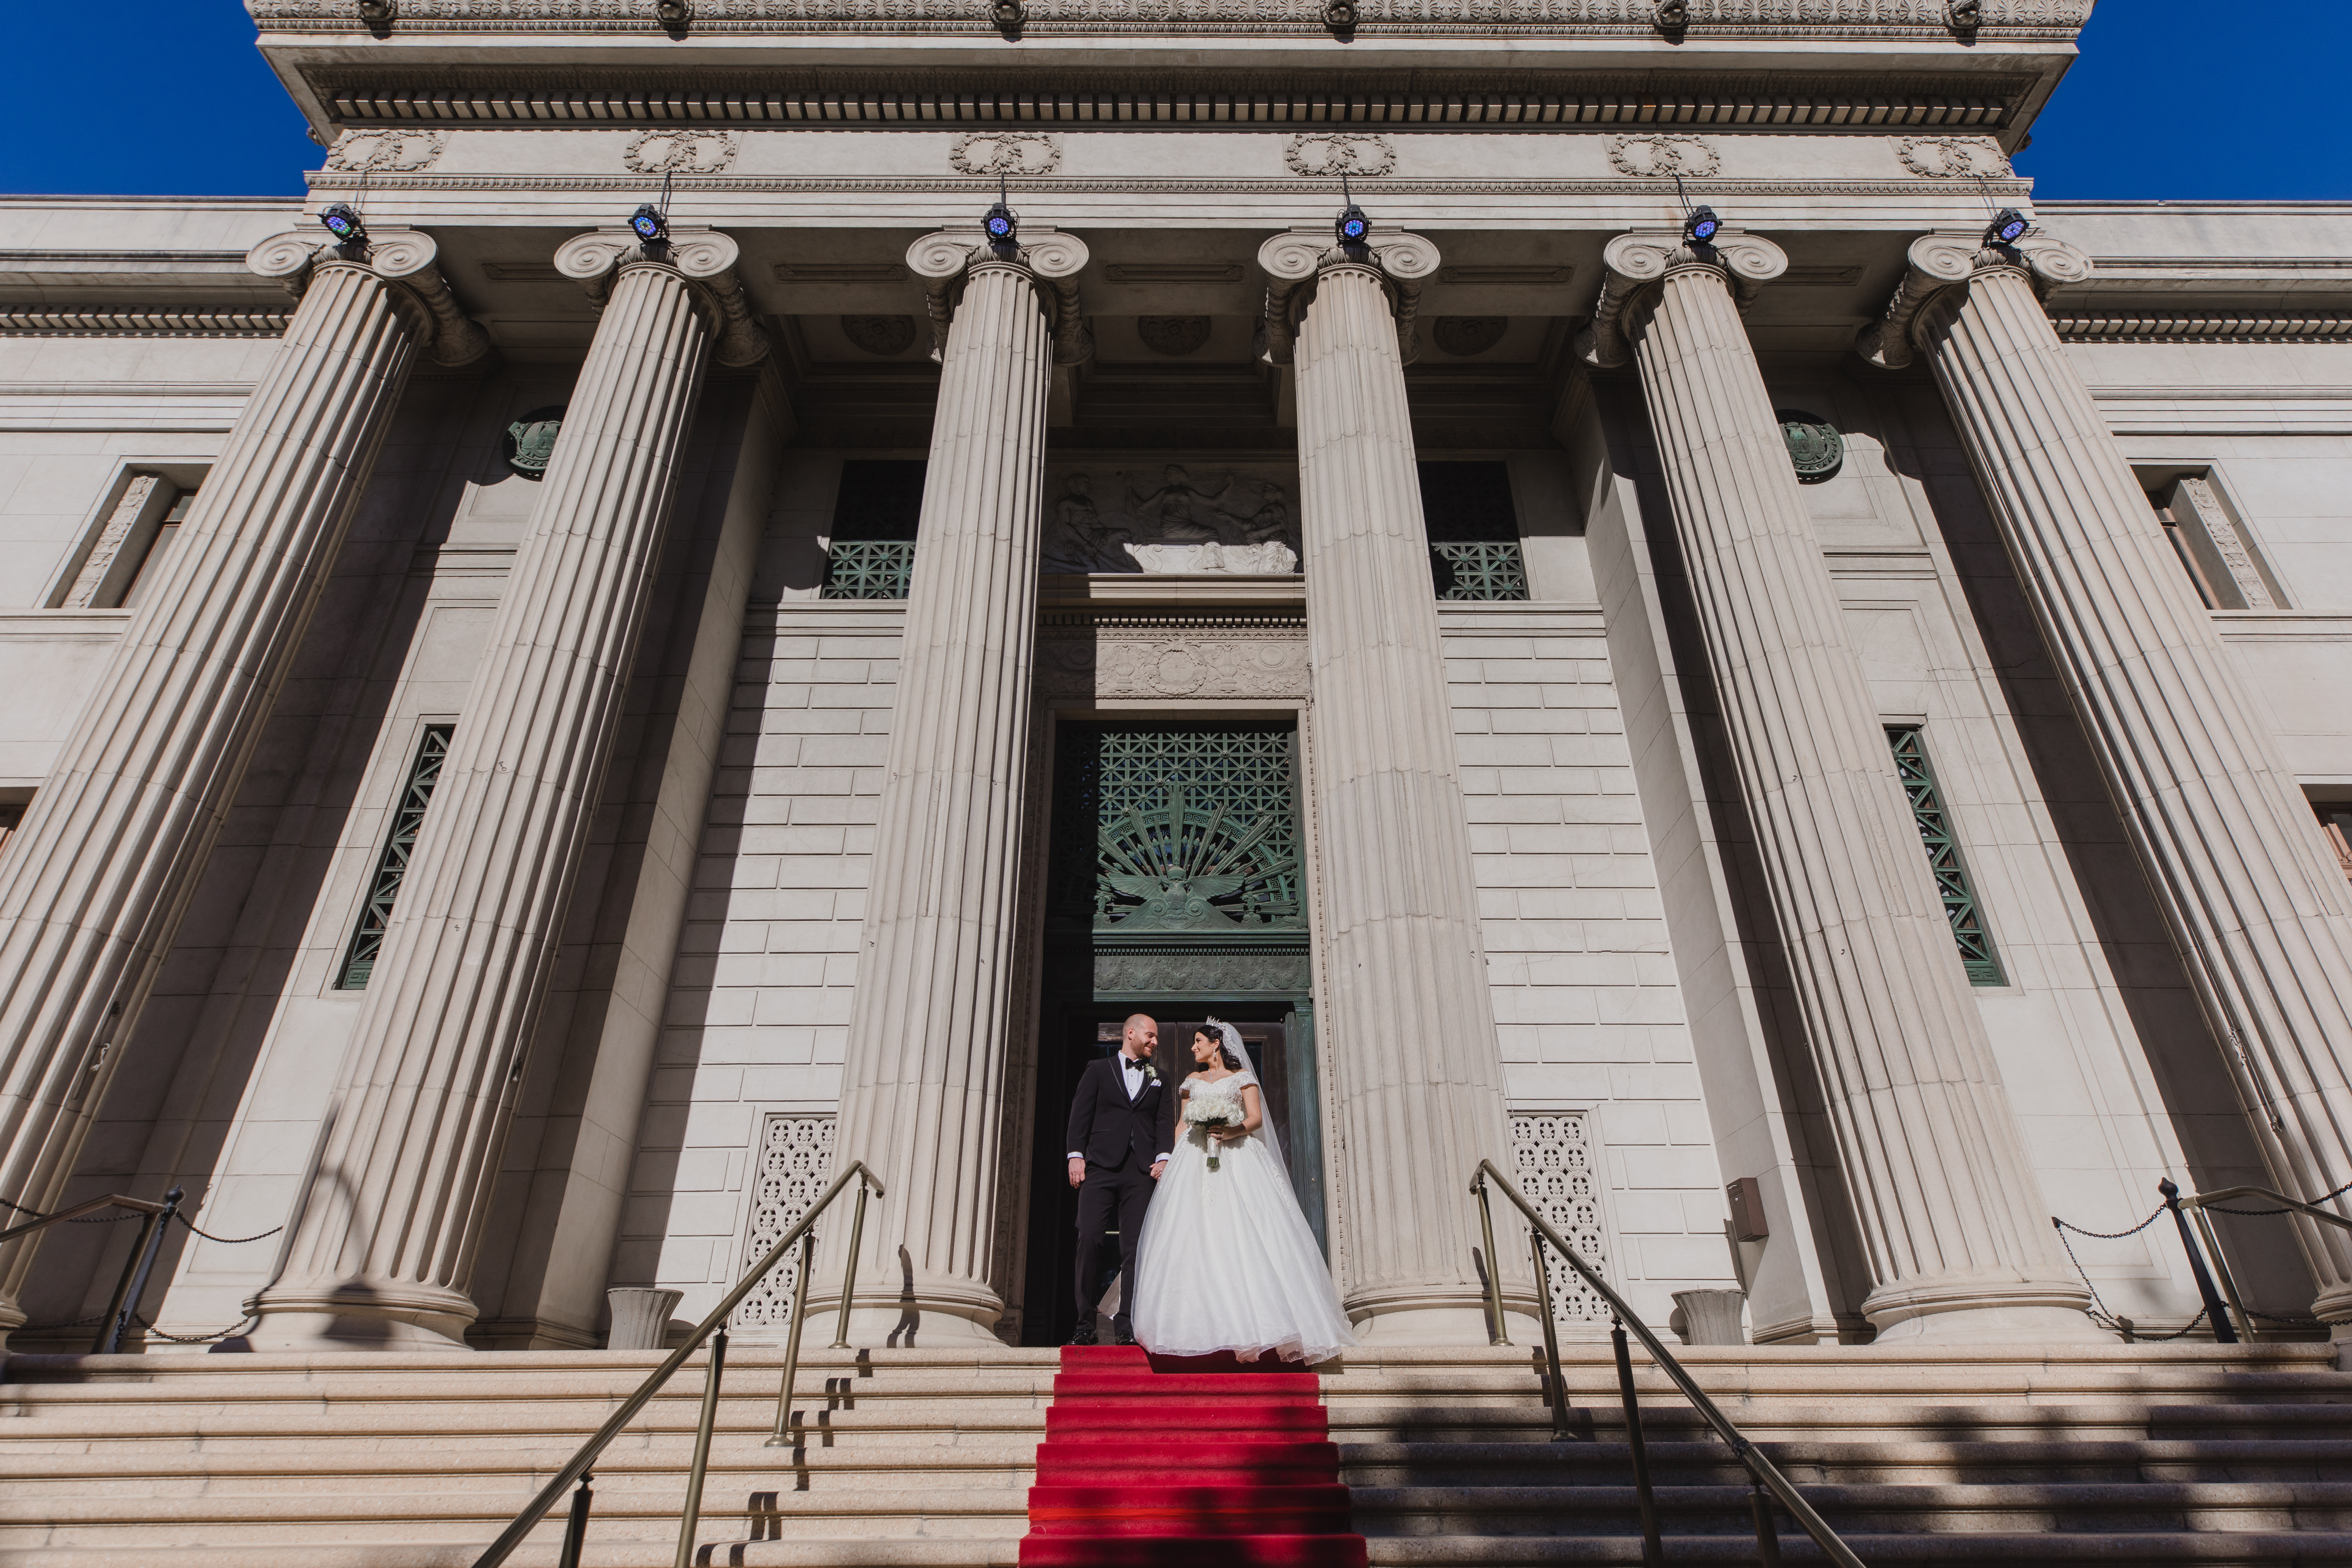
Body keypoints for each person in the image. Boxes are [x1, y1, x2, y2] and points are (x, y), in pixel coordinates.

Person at [1130, 1018, 1358, 1363]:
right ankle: (1193, 1327)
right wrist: (1168, 1158)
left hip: (1237, 1156)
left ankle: (1259, 1326)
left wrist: (1228, 1131)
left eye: (1197, 1041)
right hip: (1194, 1159)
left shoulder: (1242, 1079)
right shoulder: (1191, 1081)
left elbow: (1255, 1119)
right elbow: (1182, 1123)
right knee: (1190, 1234)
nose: (1192, 1048)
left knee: (1245, 1233)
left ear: (1216, 1043)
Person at [1064, 1013, 1175, 1346]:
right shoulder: (1098, 1070)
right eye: (1151, 1036)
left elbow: (1164, 1120)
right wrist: (1075, 1155)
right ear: (1132, 1033)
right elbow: (1080, 1113)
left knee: (1134, 1249)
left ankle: (1127, 1325)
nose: (1155, 1042)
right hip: (1099, 1166)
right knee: (1090, 1237)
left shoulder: (1161, 1078)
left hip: (1141, 1171)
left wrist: (1164, 1158)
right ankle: (1084, 1323)